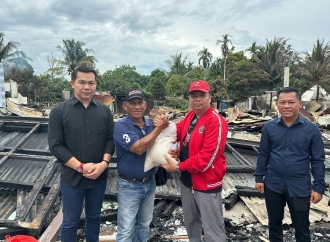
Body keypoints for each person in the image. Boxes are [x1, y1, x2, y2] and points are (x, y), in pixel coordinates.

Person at [48, 66, 115, 242]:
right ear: (72, 83)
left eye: (91, 83)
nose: (87, 87)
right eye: (82, 82)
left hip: (98, 178)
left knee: (94, 219)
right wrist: (80, 167)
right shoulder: (59, 112)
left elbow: (110, 140)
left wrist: (104, 164)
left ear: (96, 84)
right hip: (72, 178)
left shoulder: (104, 111)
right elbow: (55, 146)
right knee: (70, 221)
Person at [255, 87, 326, 242]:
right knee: (274, 225)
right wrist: (259, 177)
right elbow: (263, 153)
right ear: (277, 104)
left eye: (291, 102)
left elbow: (317, 160)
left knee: (302, 227)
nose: (286, 106)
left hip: (300, 186)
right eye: (283, 102)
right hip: (273, 184)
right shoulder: (269, 127)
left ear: (300, 104)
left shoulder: (312, 130)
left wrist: (319, 187)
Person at [162, 80, 228, 242]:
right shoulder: (191, 115)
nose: (197, 99)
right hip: (188, 180)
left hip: (206, 183)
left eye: (202, 95)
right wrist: (165, 125)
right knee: (191, 222)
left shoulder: (215, 121)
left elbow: (207, 158)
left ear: (210, 97)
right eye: (194, 96)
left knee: (213, 227)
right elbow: (178, 131)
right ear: (189, 98)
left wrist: (178, 167)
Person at [113, 88, 169, 242]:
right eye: (132, 103)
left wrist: (163, 122)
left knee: (144, 225)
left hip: (149, 183)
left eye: (140, 102)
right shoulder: (121, 126)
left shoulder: (150, 124)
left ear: (145, 105)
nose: (136, 106)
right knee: (126, 229)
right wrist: (159, 129)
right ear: (125, 105)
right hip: (128, 185)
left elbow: (167, 133)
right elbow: (138, 148)